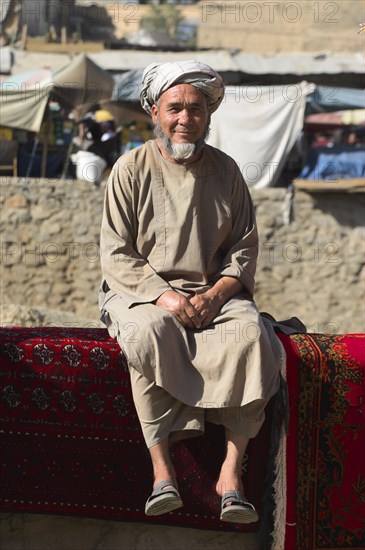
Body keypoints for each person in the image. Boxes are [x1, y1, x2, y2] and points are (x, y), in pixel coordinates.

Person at [99, 60, 284, 524]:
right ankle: (163, 474)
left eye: (196, 109)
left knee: (253, 340)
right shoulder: (129, 169)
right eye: (174, 108)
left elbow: (243, 249)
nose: (185, 119)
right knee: (147, 334)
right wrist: (169, 298)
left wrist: (215, 296)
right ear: (154, 111)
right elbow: (118, 254)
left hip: (214, 293)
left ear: (209, 114)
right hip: (142, 291)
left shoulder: (227, 172)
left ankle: (230, 475)